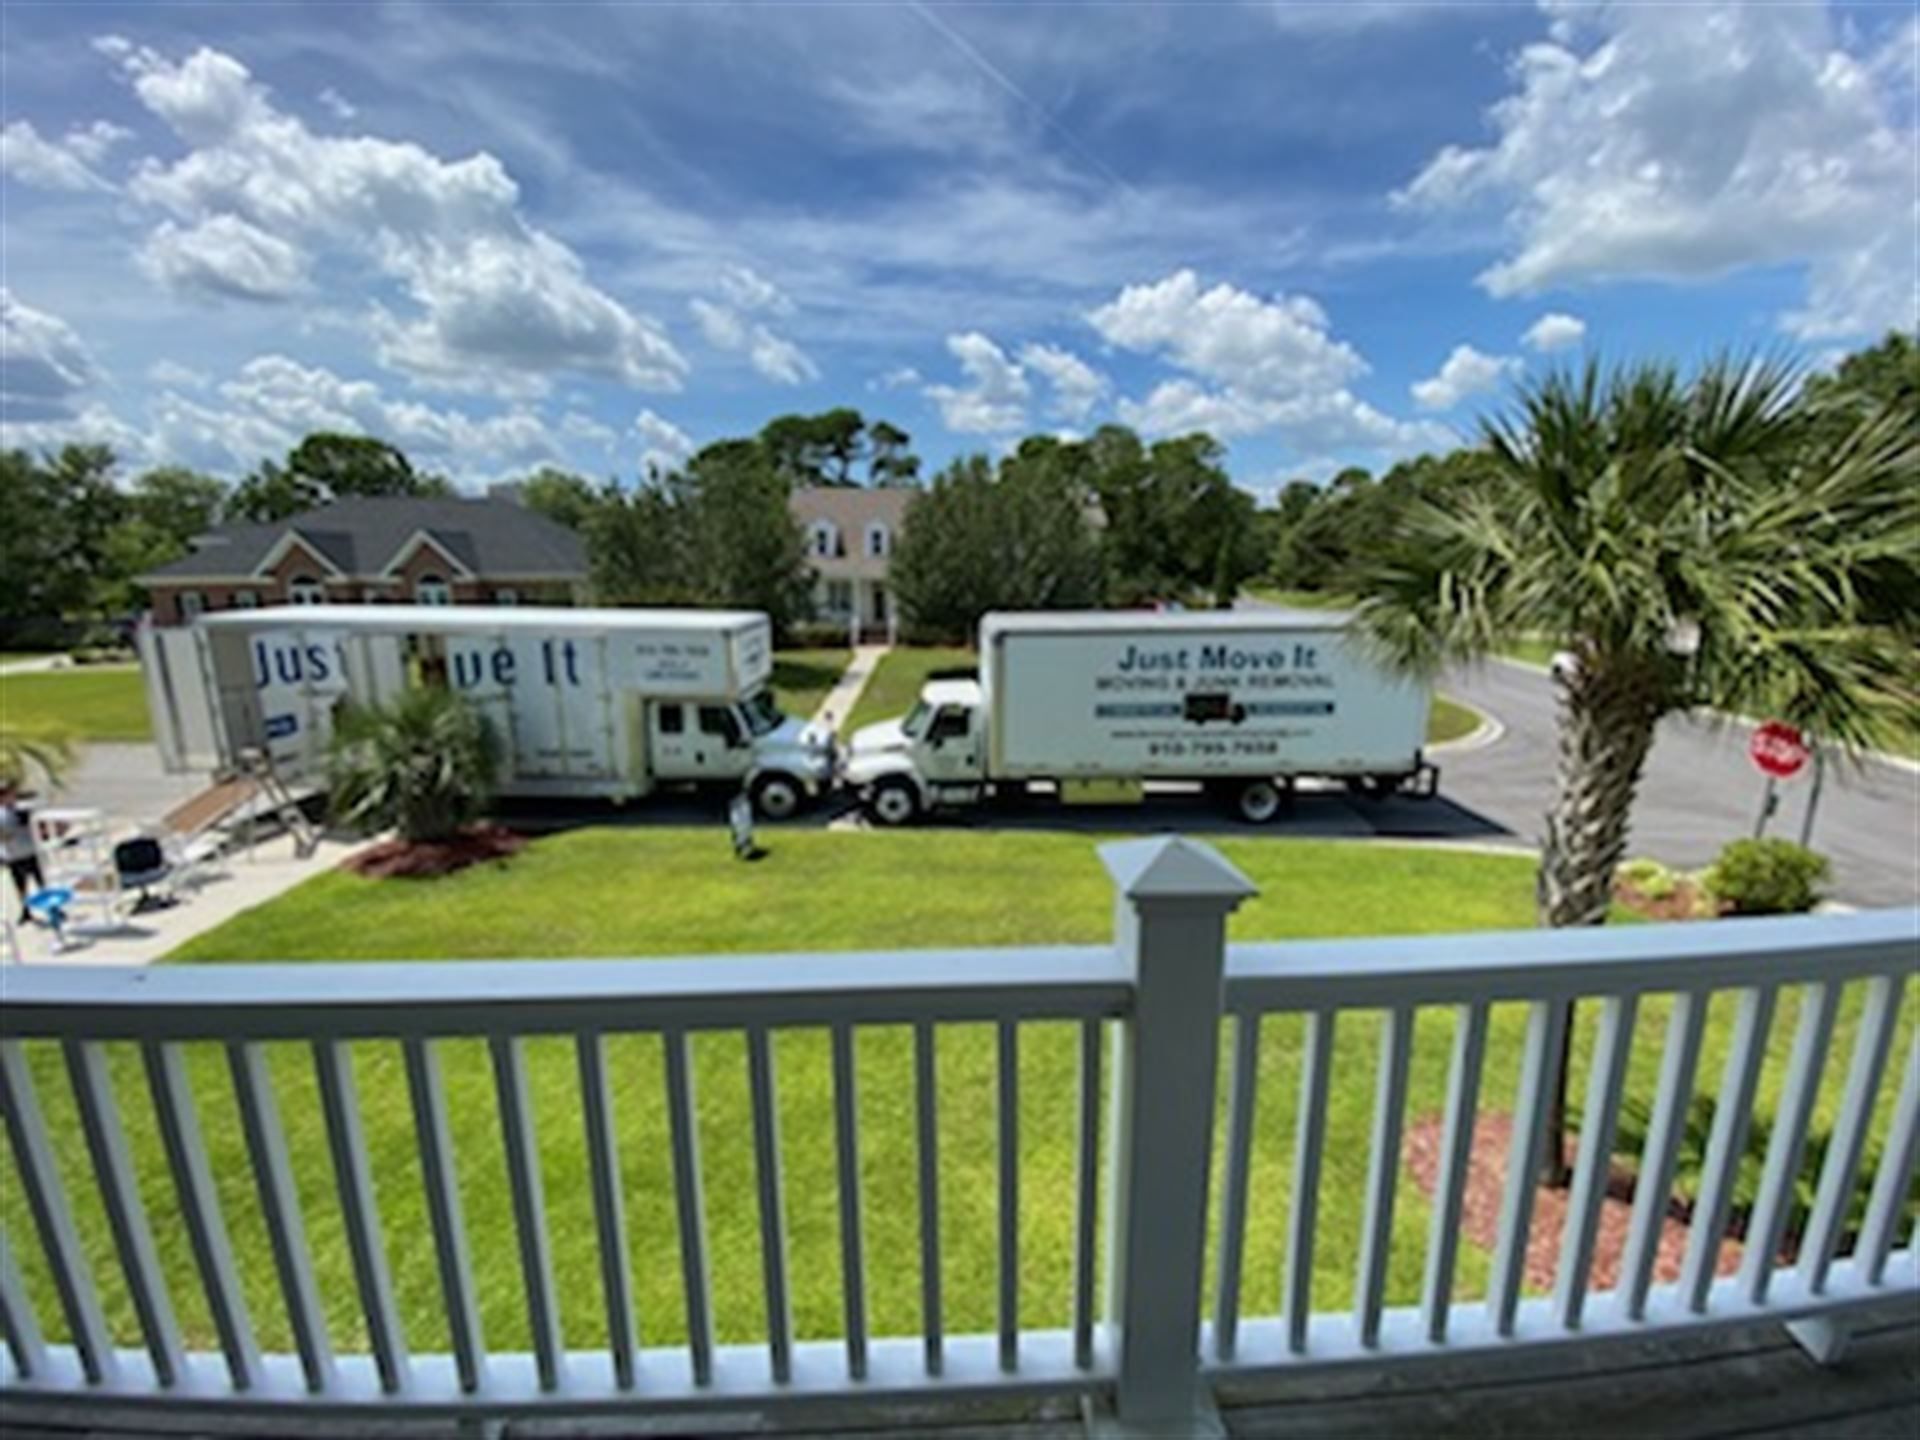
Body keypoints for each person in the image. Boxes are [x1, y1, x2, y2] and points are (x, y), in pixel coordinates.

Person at [0, 780, 45, 924]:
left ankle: (52, 908)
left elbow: (36, 824)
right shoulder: (2, 815)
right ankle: (26, 911)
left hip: (30, 851)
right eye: (7, 796)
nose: (10, 798)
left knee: (41, 882)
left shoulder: (21, 810)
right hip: (14, 855)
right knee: (20, 885)